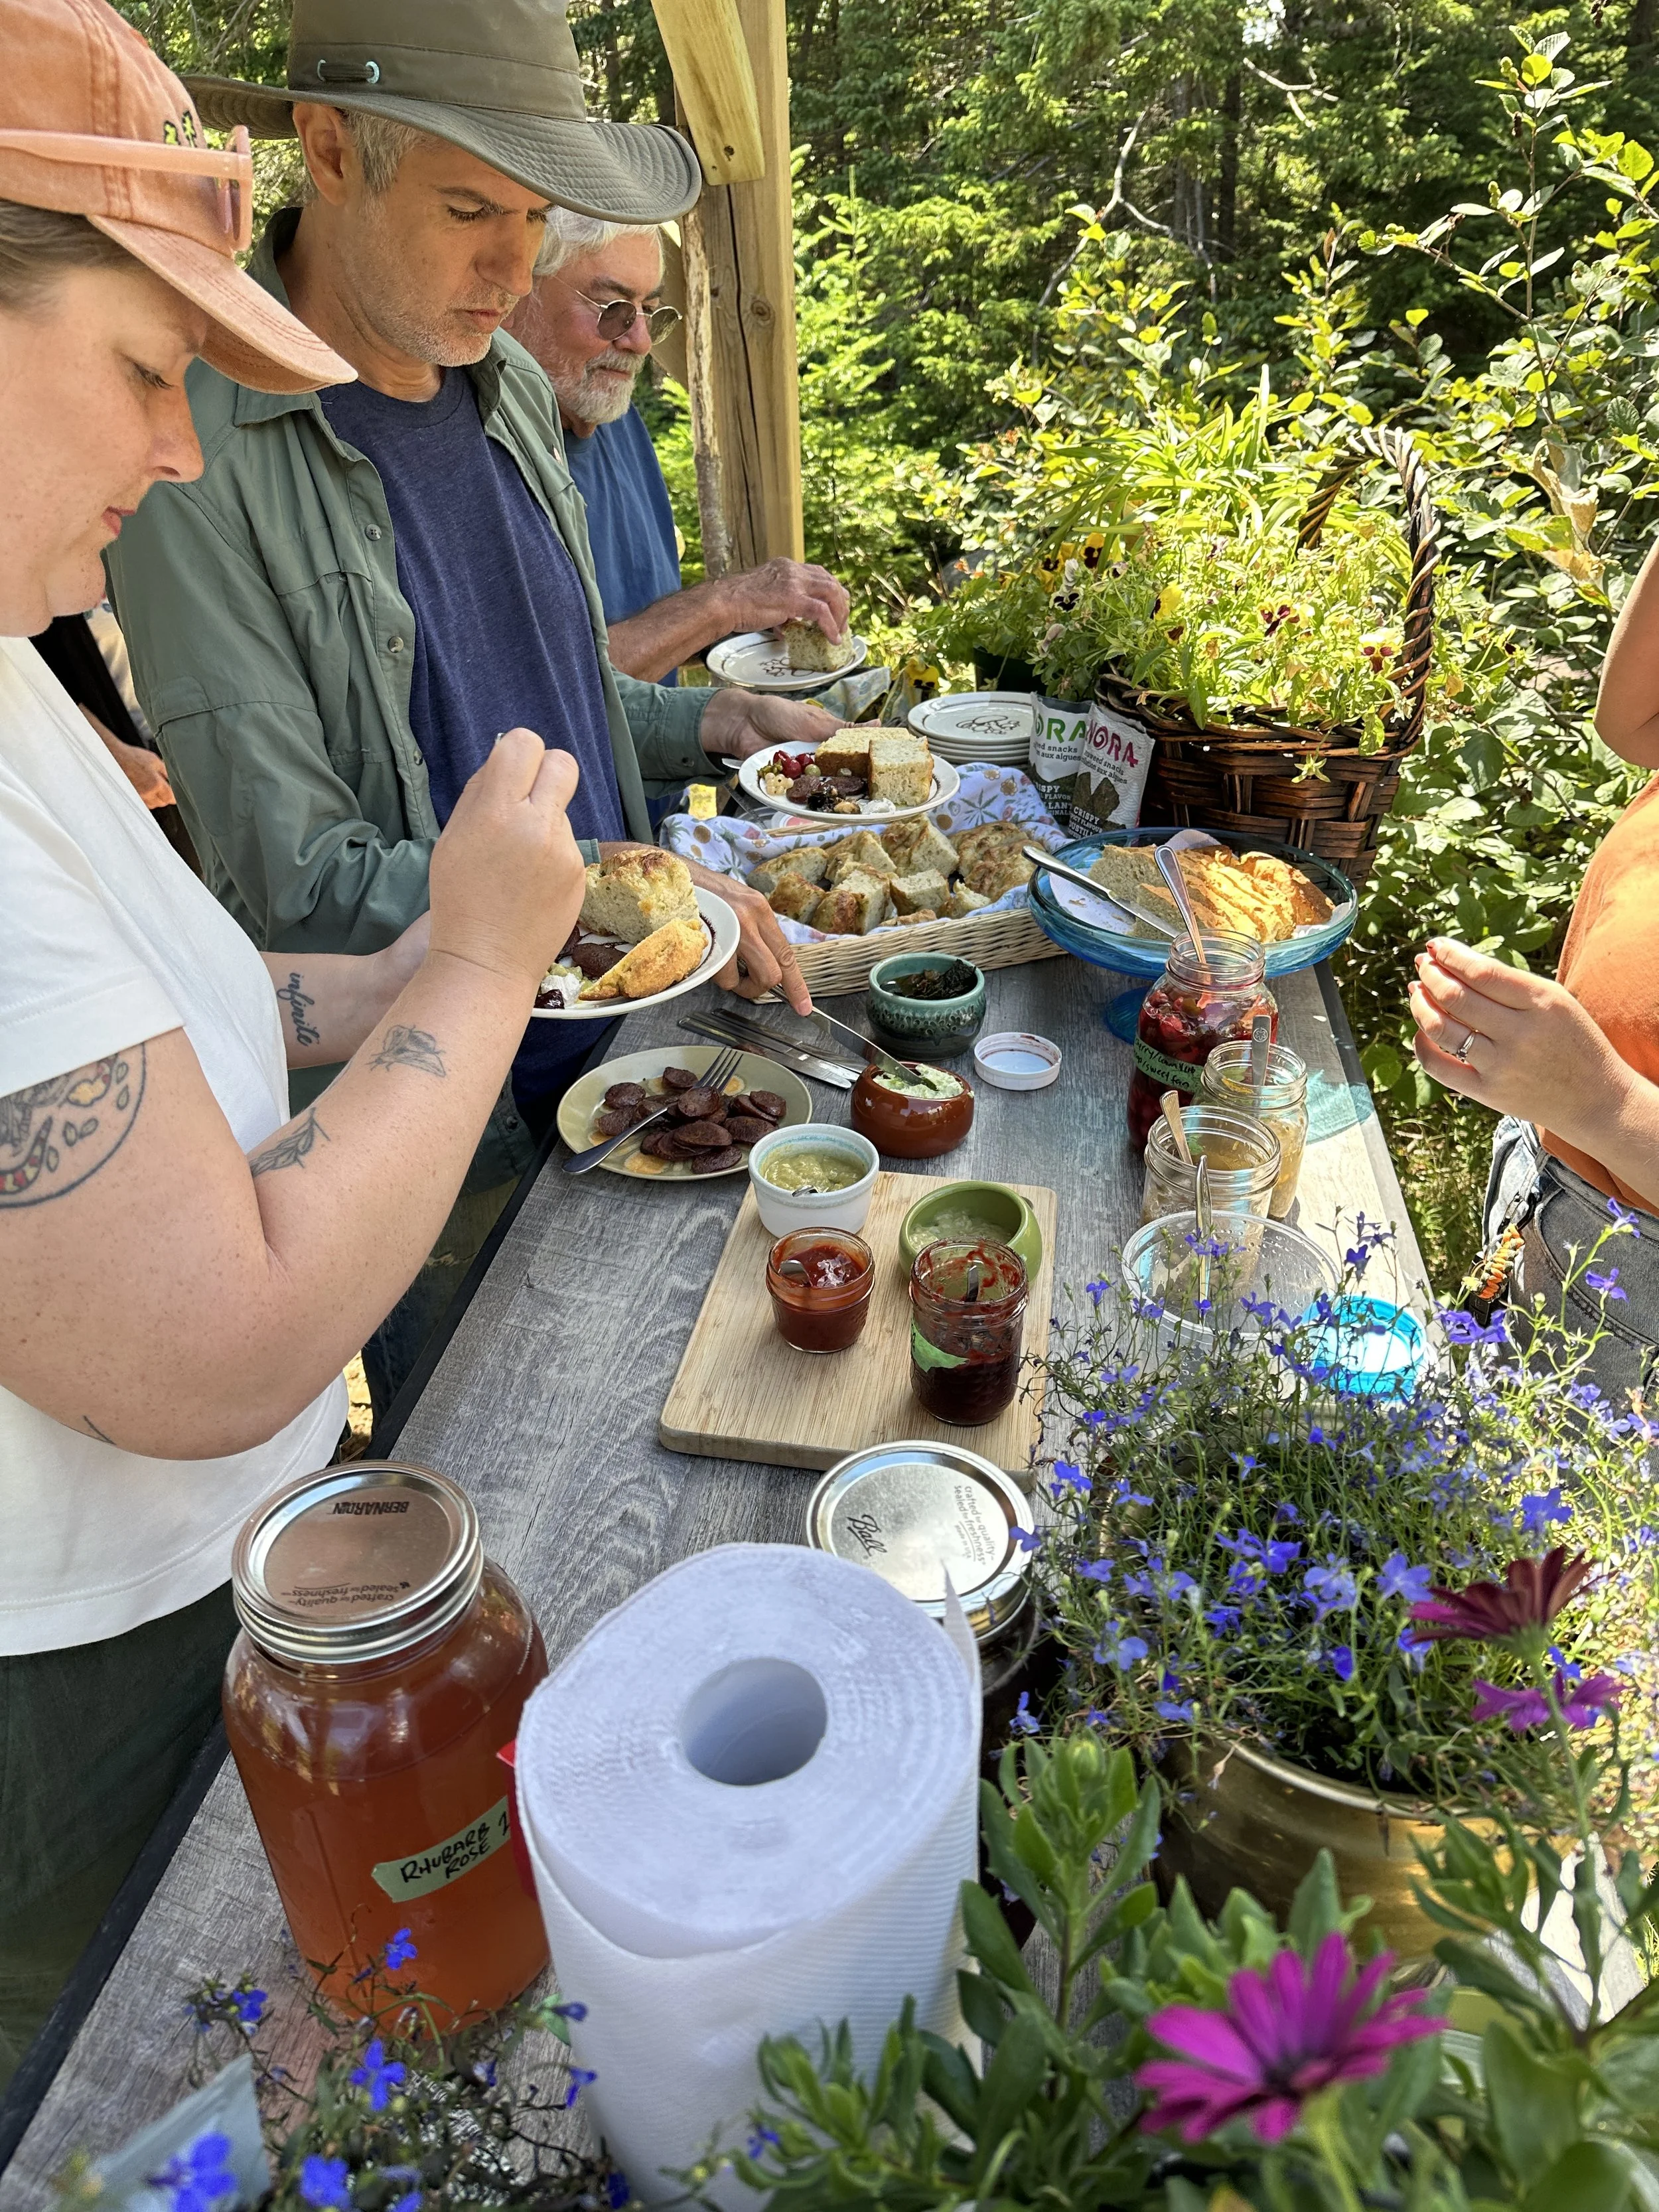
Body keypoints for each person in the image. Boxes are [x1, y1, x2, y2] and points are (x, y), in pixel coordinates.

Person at [0, 0, 595, 2079]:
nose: (173, 451)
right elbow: (218, 1337)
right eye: (147, 368)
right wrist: (478, 968)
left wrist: (423, 960)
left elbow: (176, 1012)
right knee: (145, 2093)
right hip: (59, 1686)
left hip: (189, 1598)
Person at [106, 0, 826, 1423]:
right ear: (326, 149)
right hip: (440, 1135)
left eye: (535, 215)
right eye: (466, 209)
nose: (514, 265)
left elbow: (539, 705)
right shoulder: (202, 452)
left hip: (646, 1041)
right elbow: (293, 885)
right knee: (513, 1486)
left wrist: (704, 731)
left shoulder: (496, 376)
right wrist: (646, 897)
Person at [1412, 536, 1659, 1400]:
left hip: (1634, 1277)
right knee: (1481, 1414)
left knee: (1539, 1524)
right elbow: (1630, 719)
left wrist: (1604, 1099)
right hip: (1557, 1165)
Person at [505, 209, 849, 683]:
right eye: (614, 310)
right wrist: (722, 605)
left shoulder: (615, 423)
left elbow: (634, 626)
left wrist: (748, 614)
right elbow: (553, 687)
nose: (642, 342)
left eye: (651, 311)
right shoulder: (484, 456)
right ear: (518, 291)